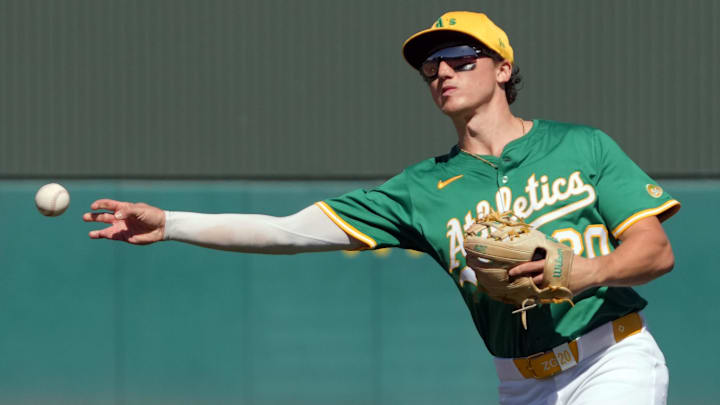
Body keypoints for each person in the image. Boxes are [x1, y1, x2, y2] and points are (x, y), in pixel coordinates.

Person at [85, 11, 680, 405]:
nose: (442, 71)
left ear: (503, 69)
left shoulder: (581, 145)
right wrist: (170, 223)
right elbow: (288, 231)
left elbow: (655, 250)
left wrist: (583, 270)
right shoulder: (421, 189)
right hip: (520, 384)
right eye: (431, 66)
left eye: (461, 58)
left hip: (613, 358)